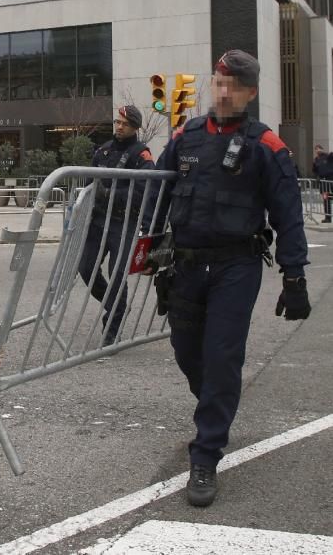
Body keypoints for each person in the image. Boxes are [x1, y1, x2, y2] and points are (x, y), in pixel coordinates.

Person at [145, 49, 310, 508]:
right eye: (219, 81)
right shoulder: (186, 135)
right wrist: (149, 252)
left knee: (221, 356)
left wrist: (294, 276)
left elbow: (289, 214)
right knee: (185, 348)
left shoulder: (267, 145)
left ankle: (207, 452)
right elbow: (158, 194)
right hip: (186, 263)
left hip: (236, 267)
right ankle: (214, 407)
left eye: (233, 84)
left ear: (250, 92)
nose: (223, 90)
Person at [77, 105, 154, 345]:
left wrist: (110, 194)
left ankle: (113, 327)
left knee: (117, 274)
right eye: (117, 122)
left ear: (135, 127)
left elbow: (145, 190)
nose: (119, 127)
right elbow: (91, 183)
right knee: (86, 268)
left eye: (125, 124)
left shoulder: (141, 155)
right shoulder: (104, 150)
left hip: (124, 221)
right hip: (97, 220)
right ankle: (117, 307)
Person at [312, 143, 333, 223]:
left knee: (329, 197)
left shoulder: (328, 156)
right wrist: (317, 177)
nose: (317, 150)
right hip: (323, 183)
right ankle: (328, 218)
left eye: (319, 148)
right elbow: (314, 170)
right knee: (326, 199)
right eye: (316, 149)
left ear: (322, 149)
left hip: (330, 180)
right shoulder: (316, 160)